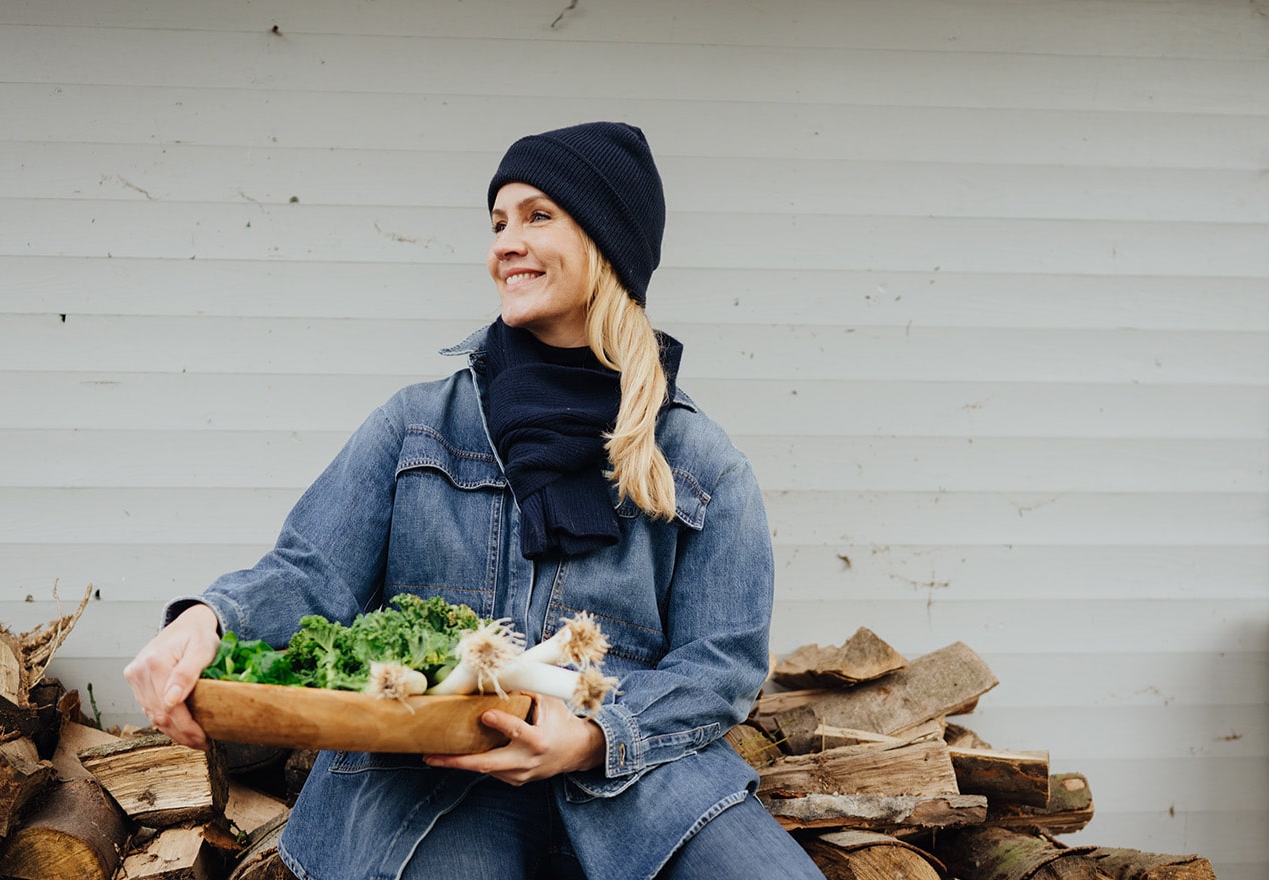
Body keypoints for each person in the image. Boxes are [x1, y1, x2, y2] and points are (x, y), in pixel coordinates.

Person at [124, 122, 824, 880]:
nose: (504, 244)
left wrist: (593, 735)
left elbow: (720, 663)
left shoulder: (700, 461)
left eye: (537, 216)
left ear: (609, 239)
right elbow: (308, 572)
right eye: (497, 223)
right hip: (432, 773)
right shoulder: (418, 425)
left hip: (635, 774)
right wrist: (208, 619)